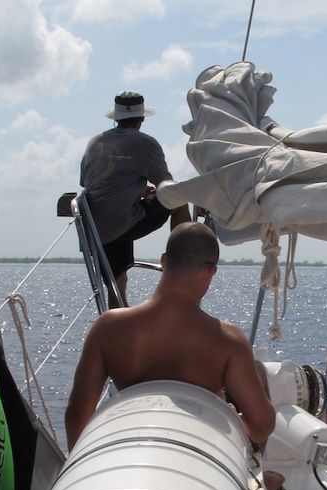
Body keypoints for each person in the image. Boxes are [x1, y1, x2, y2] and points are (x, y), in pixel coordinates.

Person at [64, 222, 276, 456]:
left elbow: (77, 413)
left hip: (131, 446)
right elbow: (262, 425)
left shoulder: (108, 327)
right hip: (195, 455)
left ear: (164, 261)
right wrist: (230, 418)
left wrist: (76, 462)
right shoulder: (228, 340)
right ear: (210, 272)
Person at [80, 90, 191, 308]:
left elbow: (91, 183)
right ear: (141, 119)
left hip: (95, 228)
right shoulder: (146, 144)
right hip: (123, 222)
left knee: (116, 286)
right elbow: (166, 187)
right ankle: (183, 260)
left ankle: (118, 331)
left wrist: (137, 190)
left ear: (115, 118)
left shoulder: (94, 143)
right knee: (179, 199)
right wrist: (149, 190)